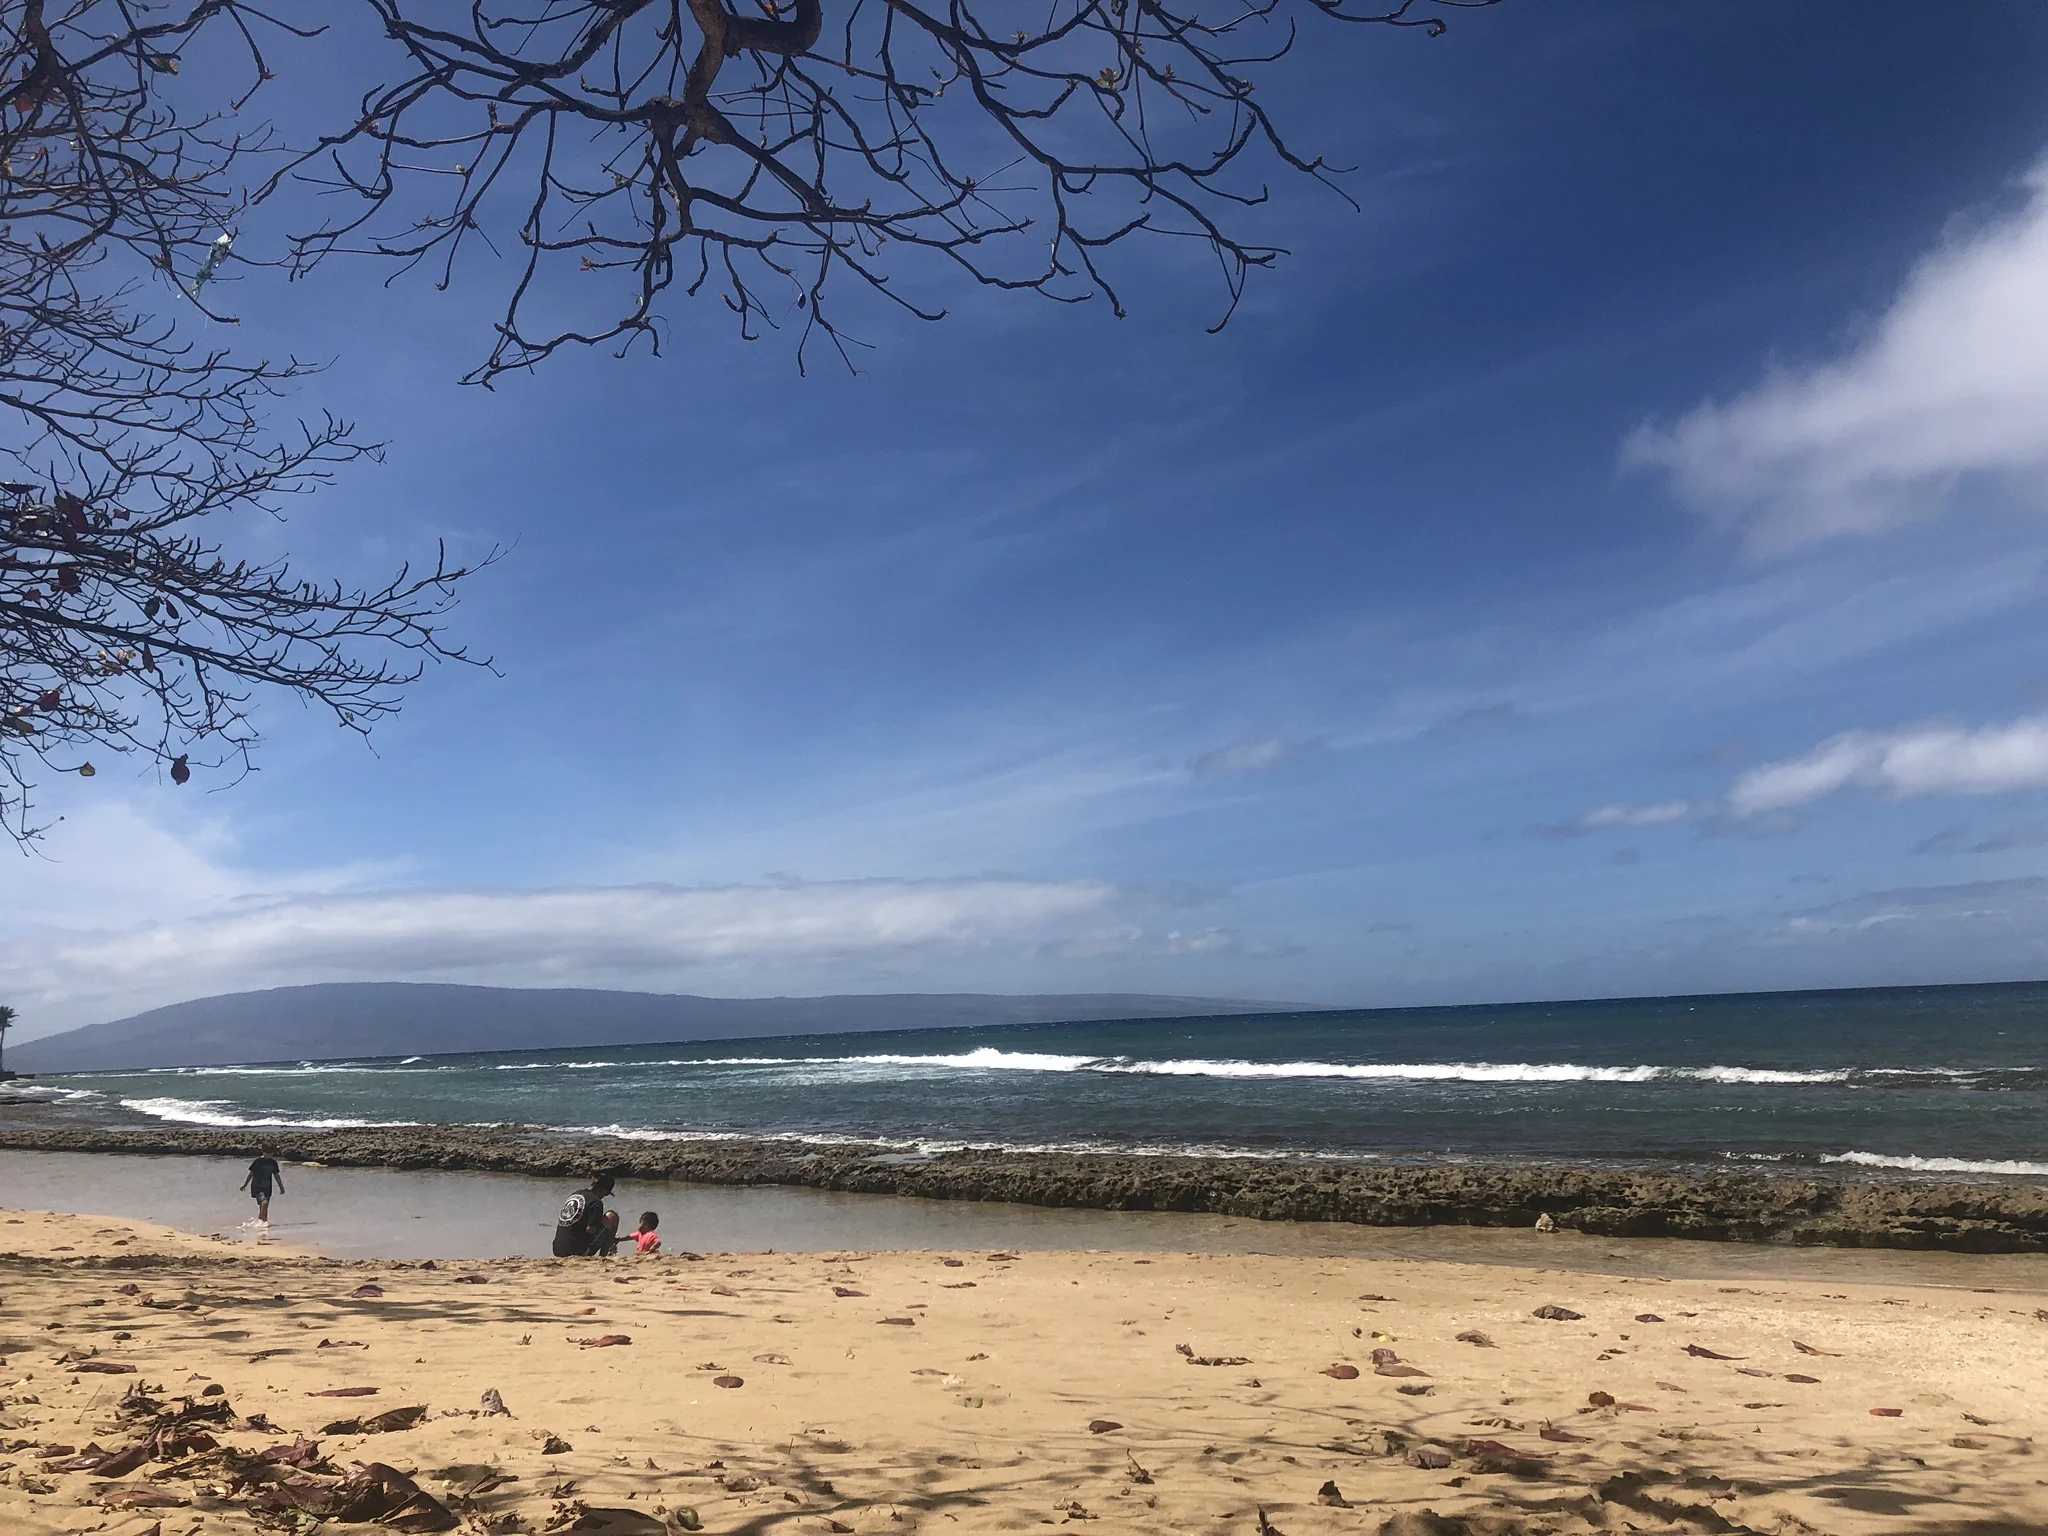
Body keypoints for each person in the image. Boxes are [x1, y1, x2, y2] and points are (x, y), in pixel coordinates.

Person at [551, 1171, 620, 1257]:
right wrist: (605, 1231)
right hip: (577, 1251)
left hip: (557, 1249)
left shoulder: (575, 1194)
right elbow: (590, 1229)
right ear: (601, 1190)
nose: (604, 1196)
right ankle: (604, 1256)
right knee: (612, 1216)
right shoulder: (596, 1202)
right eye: (606, 1194)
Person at [239, 1151, 284, 1223]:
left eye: (271, 1153)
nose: (270, 1155)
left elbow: (276, 1175)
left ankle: (262, 1223)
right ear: (263, 1152)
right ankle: (262, 1222)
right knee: (264, 1203)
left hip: (268, 1186)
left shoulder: (273, 1163)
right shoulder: (257, 1161)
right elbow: (251, 1174)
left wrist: (281, 1187)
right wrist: (245, 1185)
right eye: (268, 1152)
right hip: (257, 1186)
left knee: (264, 1207)